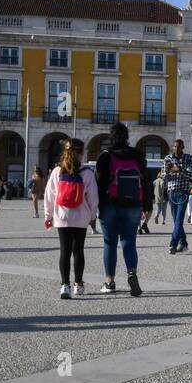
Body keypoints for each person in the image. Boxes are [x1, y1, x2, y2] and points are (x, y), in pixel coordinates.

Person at [95, 122, 152, 293]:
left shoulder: (105, 155)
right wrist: (147, 205)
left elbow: (99, 183)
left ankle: (109, 282)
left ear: (111, 136)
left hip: (110, 204)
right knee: (129, 242)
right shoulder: (137, 155)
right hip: (133, 204)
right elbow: (146, 181)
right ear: (127, 136)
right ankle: (132, 274)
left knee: (109, 243)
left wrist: (96, 206)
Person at [45, 138, 99, 299]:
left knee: (64, 251)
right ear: (81, 153)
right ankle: (79, 285)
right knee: (78, 251)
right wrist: (92, 216)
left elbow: (49, 196)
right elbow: (93, 198)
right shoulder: (87, 173)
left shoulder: (57, 171)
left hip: (61, 216)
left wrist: (48, 215)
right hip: (80, 217)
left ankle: (64, 285)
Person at [162, 137, 192, 255]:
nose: (176, 148)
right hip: (171, 193)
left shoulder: (188, 158)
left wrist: (179, 169)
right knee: (176, 221)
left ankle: (173, 244)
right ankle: (184, 243)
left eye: (179, 146)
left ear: (183, 147)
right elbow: (163, 176)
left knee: (179, 220)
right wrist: (167, 172)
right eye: (175, 146)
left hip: (183, 193)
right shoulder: (168, 159)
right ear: (173, 147)